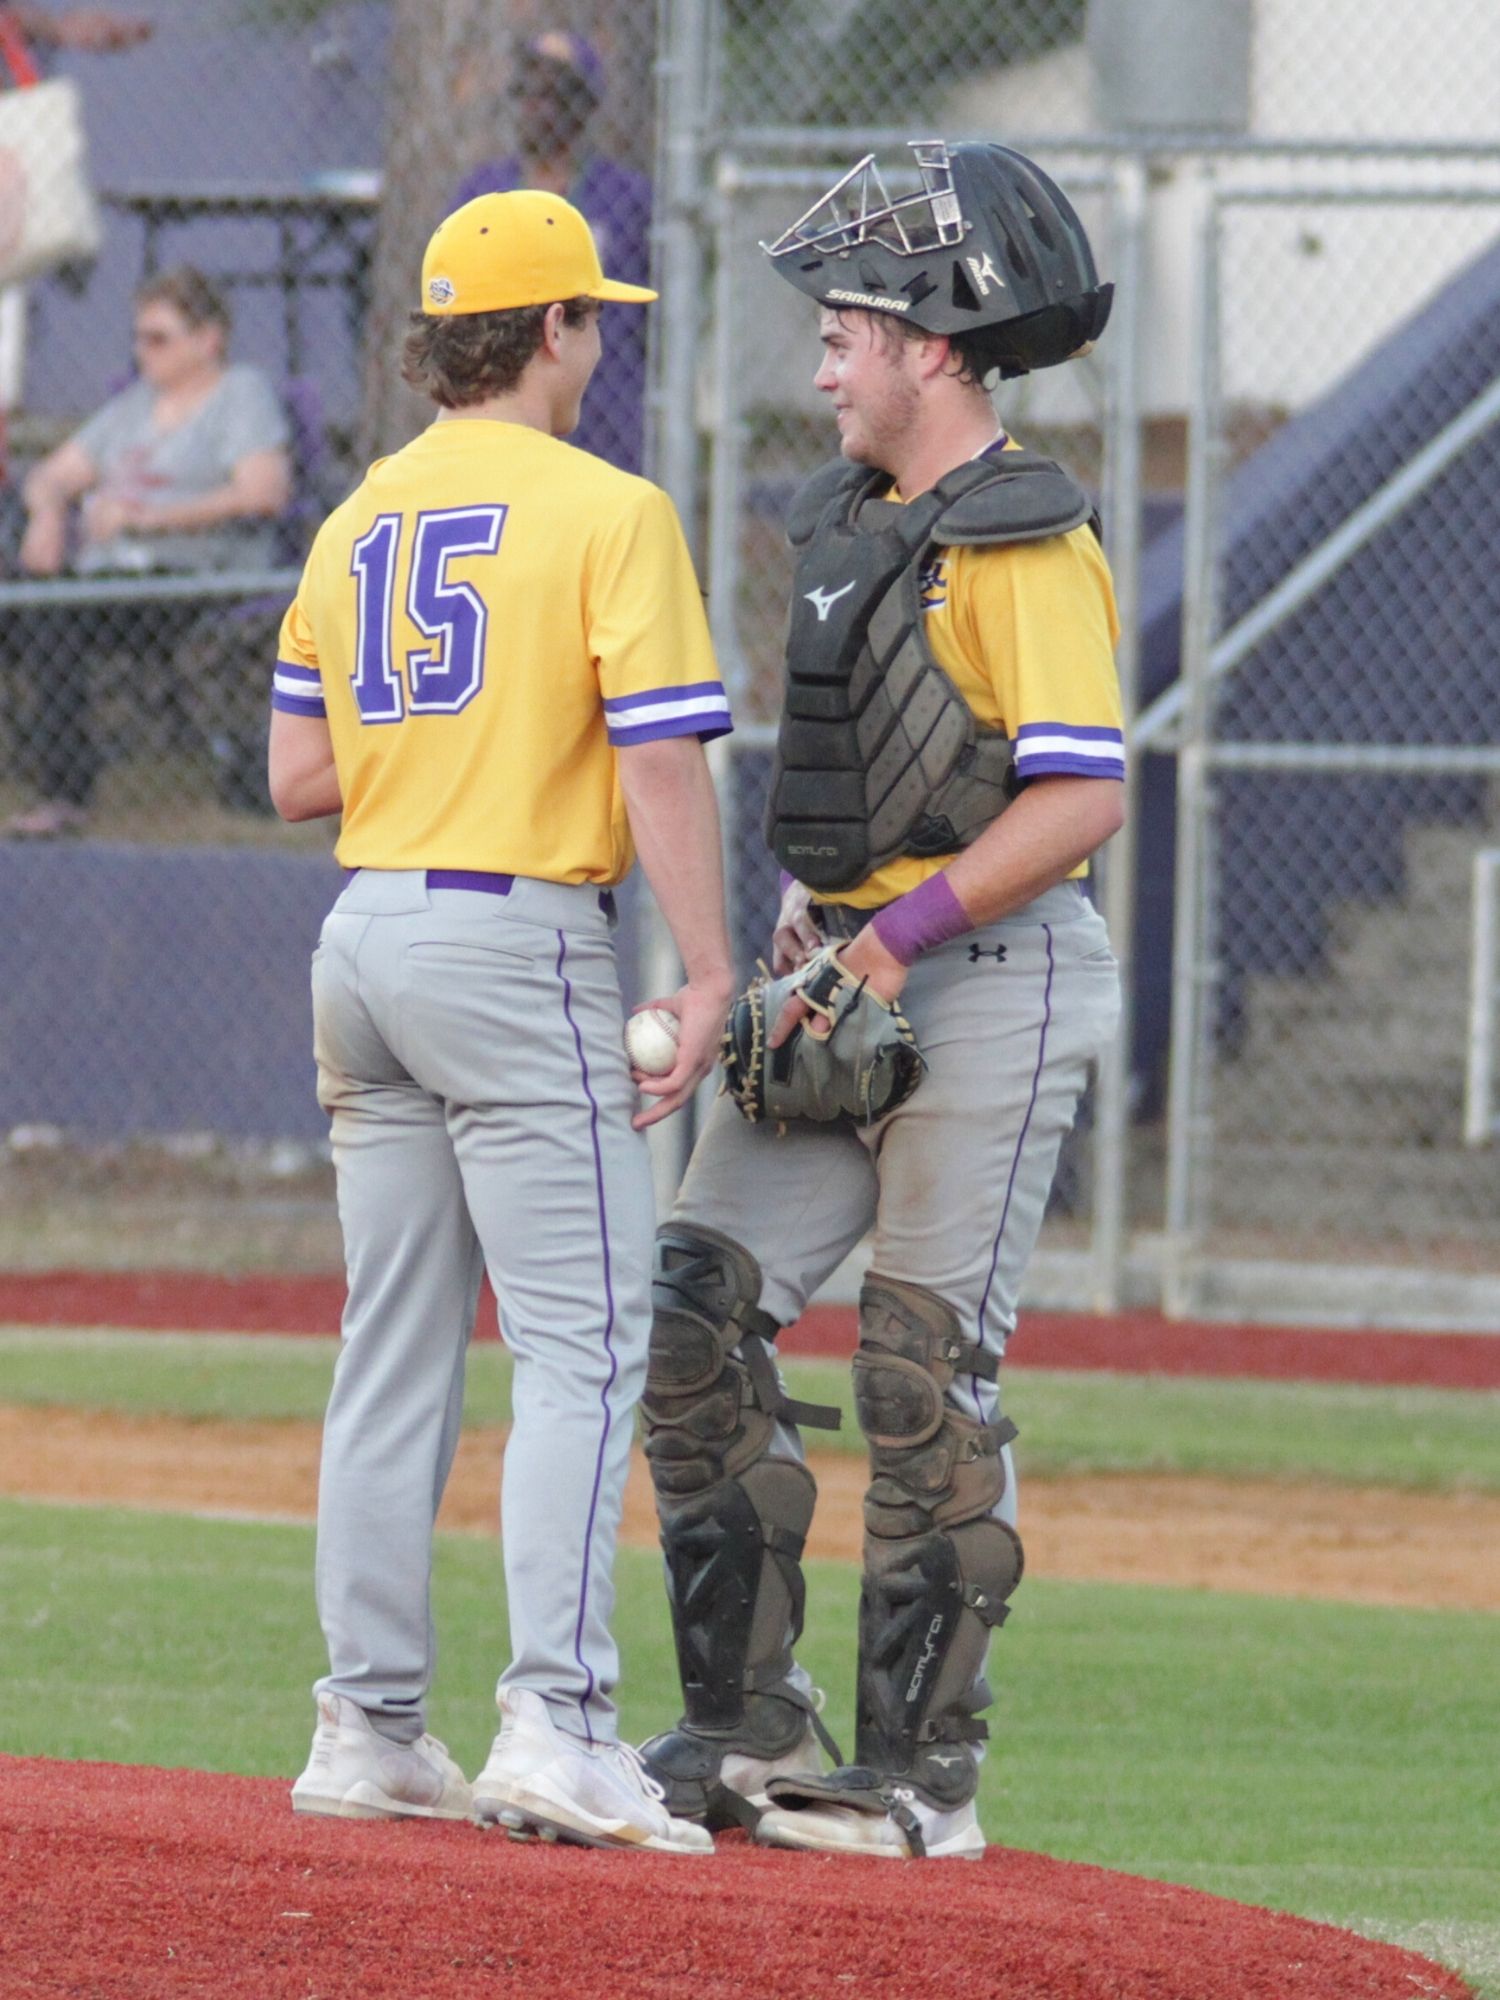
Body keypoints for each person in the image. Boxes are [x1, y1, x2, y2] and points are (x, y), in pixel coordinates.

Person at [636, 141, 1126, 1861]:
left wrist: (892, 931)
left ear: (934, 345)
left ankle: (926, 1778)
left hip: (982, 972)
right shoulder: (850, 520)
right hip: (846, 966)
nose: (823, 355)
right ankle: (750, 1723)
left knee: (918, 1368)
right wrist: (806, 913)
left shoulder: (1024, 536)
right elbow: (862, 771)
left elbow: (1080, 795)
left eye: (849, 323)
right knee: (693, 1316)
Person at [271, 190, 734, 1856]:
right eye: (589, 317)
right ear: (552, 334)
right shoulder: (608, 508)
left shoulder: (356, 517)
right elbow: (661, 752)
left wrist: (447, 727)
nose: (595, 343)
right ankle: (559, 1720)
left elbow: (293, 776)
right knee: (582, 1340)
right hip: (510, 934)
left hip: (365, 935)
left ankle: (367, 1724)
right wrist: (707, 963)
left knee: (391, 1349)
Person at [6, 265, 290, 834]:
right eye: (137, 337)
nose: (142, 352)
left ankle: (65, 796)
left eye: (158, 338)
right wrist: (46, 514)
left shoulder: (240, 395)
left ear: (209, 340)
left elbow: (265, 493)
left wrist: (149, 520)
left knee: (51, 615)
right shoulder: (134, 407)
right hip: (103, 576)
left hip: (188, 580)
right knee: (30, 596)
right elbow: (50, 475)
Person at [452, 29, 650, 472]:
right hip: (502, 405)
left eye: (554, 93)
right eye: (526, 91)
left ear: (583, 105)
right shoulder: (483, 193)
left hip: (604, 414)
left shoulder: (626, 197)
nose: (535, 105)